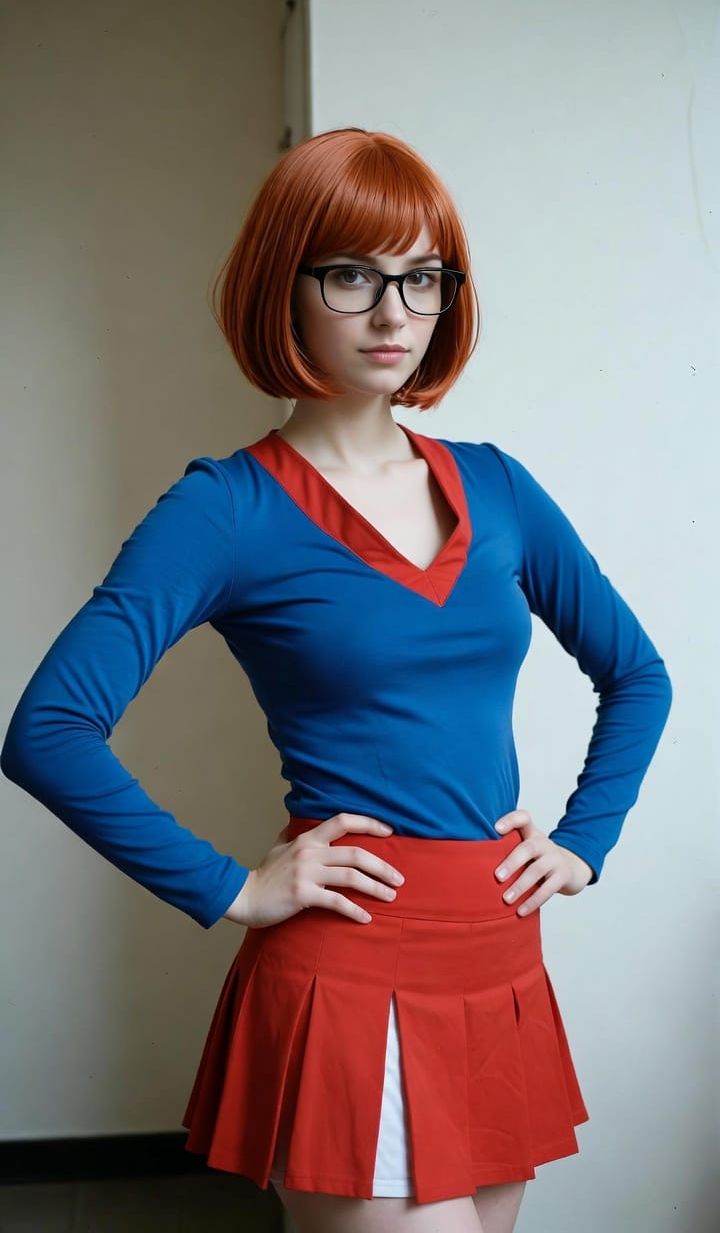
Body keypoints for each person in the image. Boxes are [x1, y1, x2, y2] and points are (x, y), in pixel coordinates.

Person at [1, 128, 672, 1233]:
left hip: (499, 950)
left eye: (422, 276)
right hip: (351, 965)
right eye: (354, 273)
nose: (395, 311)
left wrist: (584, 840)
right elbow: (50, 728)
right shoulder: (226, 508)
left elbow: (637, 672)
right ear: (288, 283)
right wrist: (231, 886)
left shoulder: (499, 488)